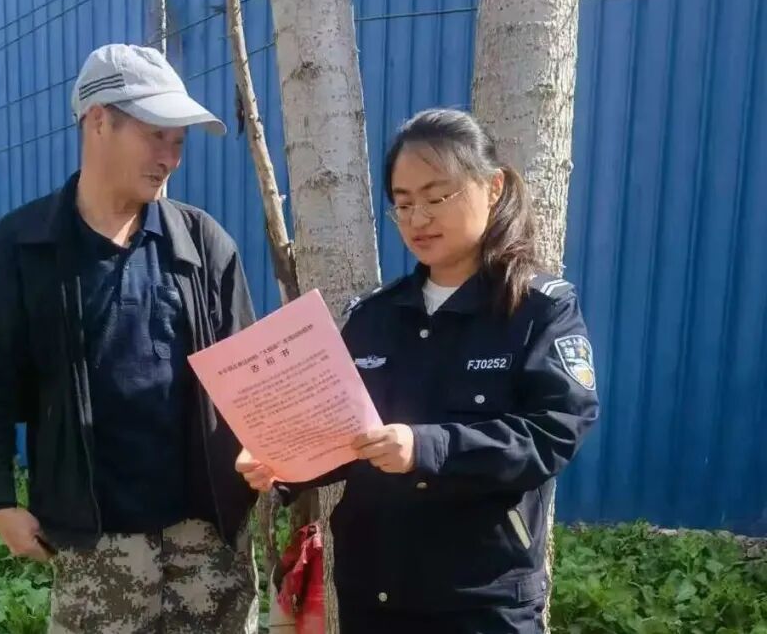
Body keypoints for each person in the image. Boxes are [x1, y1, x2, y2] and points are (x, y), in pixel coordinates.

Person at [237, 108, 600, 633]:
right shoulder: (375, 317)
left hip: (479, 602)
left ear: (493, 187)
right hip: (374, 598)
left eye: (436, 197)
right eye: (404, 204)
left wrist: (427, 447)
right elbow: (343, 435)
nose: (418, 219)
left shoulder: (536, 310)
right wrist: (280, 461)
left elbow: (554, 433)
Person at [0, 43, 259, 634]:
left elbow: (250, 379)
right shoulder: (25, 247)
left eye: (179, 141)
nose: (170, 158)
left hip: (207, 538)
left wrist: (269, 452)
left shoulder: (203, 243)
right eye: (155, 135)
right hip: (97, 542)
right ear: (98, 121)